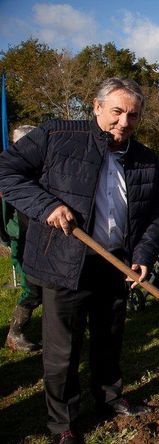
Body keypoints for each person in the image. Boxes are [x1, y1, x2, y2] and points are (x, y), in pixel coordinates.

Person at [0, 77, 159, 443]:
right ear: (96, 107)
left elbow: (155, 211)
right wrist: (46, 206)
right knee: (63, 352)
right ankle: (63, 425)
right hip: (64, 263)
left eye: (133, 115)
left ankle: (109, 398)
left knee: (109, 339)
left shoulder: (145, 159)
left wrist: (143, 255)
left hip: (116, 264)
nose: (124, 122)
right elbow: (6, 172)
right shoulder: (56, 136)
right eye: (117, 112)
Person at [3, 125, 43, 352]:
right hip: (23, 238)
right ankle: (15, 333)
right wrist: (10, 239)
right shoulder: (11, 173)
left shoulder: (40, 169)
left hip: (41, 237)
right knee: (33, 288)